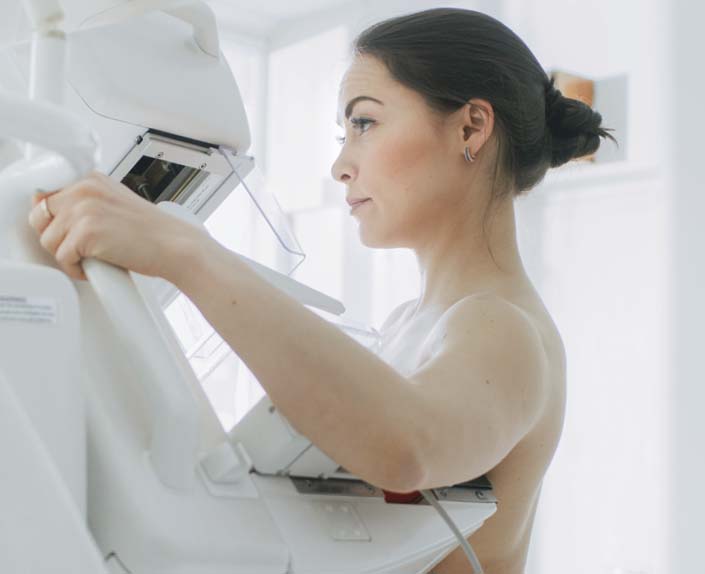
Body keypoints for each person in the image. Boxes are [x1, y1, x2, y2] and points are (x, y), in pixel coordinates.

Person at [28, 7, 616, 574]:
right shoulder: (413, 320)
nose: (340, 165)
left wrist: (186, 251)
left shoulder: (501, 326)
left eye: (363, 122)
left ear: (470, 127)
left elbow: (405, 444)